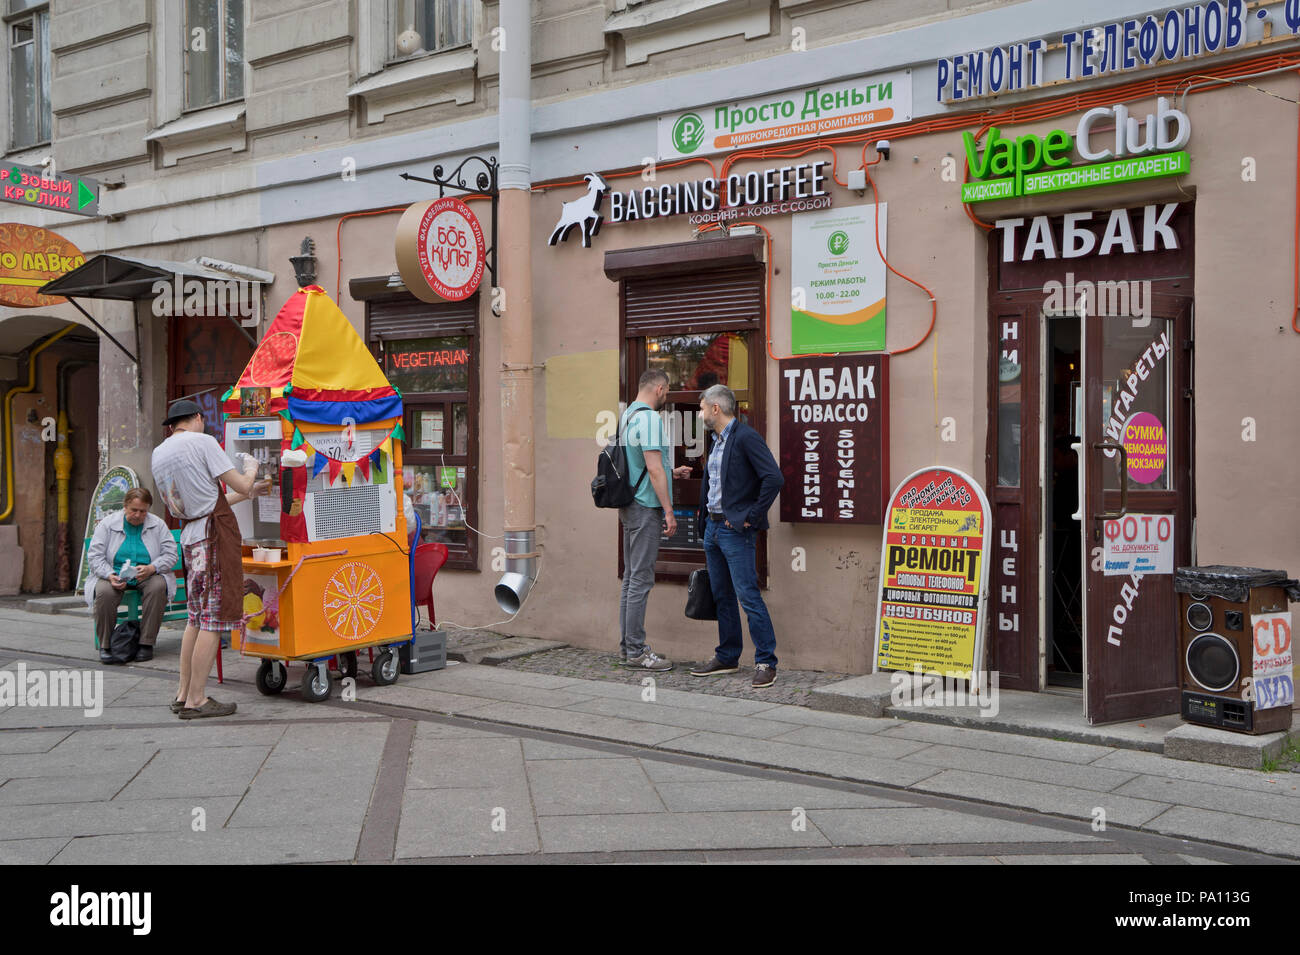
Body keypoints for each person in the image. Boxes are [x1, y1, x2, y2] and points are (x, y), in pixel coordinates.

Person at [152, 398, 269, 719]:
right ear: (198, 418)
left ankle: (183, 693)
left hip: (191, 535)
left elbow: (207, 499)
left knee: (195, 617)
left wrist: (250, 492)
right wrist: (252, 468)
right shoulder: (203, 442)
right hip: (213, 536)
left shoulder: (159, 452)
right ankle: (198, 700)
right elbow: (241, 482)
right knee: (213, 619)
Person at [688, 384, 784, 688]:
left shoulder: (745, 437)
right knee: (722, 596)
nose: (700, 412)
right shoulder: (716, 441)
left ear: (716, 408)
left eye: (702, 407)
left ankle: (766, 661)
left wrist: (749, 518)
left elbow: (774, 478)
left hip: (734, 531)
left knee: (747, 595)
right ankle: (727, 656)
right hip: (714, 529)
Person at [618, 368, 692, 670]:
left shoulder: (627, 417)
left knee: (631, 579)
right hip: (645, 507)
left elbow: (641, 466)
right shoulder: (648, 418)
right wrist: (670, 511)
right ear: (659, 389)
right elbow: (652, 469)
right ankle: (636, 651)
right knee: (641, 579)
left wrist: (670, 474)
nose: (667, 395)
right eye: (668, 390)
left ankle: (627, 647)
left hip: (629, 505)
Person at [86, 487, 178, 663]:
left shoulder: (157, 524)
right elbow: (95, 556)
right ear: (125, 506)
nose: (137, 515)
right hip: (113, 574)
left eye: (143, 511)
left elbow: (171, 554)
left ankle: (146, 643)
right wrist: (110, 574)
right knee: (104, 593)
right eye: (133, 510)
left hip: (146, 574)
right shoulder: (107, 524)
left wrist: (152, 568)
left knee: (158, 586)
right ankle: (106, 645)